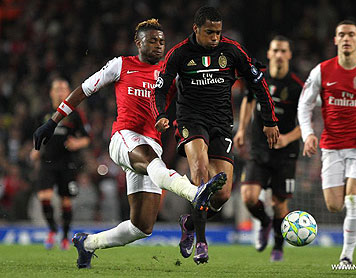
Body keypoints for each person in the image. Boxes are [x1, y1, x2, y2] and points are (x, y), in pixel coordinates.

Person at [33, 19, 226, 269]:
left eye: (162, 41)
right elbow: (83, 89)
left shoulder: (170, 73)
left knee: (142, 227)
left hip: (151, 145)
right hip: (125, 137)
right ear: (138, 42)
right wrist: (53, 120)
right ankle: (194, 192)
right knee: (153, 163)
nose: (158, 45)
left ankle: (87, 243)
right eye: (152, 40)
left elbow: (190, 103)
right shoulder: (121, 65)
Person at [152, 6, 279, 264]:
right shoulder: (179, 53)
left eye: (218, 32)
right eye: (209, 32)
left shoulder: (231, 51)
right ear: (196, 29)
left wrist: (269, 119)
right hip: (190, 120)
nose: (215, 38)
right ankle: (201, 243)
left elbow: (258, 82)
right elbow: (162, 85)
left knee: (221, 194)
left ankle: (189, 224)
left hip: (221, 124)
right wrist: (161, 114)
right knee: (200, 173)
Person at [298, 20, 356, 265]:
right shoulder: (322, 71)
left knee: (353, 198)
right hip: (332, 146)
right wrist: (308, 133)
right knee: (334, 205)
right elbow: (304, 104)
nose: (347, 38)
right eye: (342, 34)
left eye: (351, 34)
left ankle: (346, 257)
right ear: (335, 40)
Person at [234, 36, 303, 262]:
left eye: (284, 50)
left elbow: (307, 122)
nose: (280, 54)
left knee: (279, 203)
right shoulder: (258, 79)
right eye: (276, 50)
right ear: (270, 54)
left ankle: (278, 247)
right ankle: (263, 221)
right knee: (248, 197)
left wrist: (286, 138)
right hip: (259, 148)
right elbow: (248, 101)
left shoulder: (297, 87)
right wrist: (242, 130)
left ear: (289, 55)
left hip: (285, 153)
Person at [30, 78, 91, 250]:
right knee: (44, 196)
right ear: (51, 92)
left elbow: (87, 137)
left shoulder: (76, 114)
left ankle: (64, 236)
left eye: (64, 88)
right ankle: (52, 229)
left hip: (67, 162)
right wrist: (35, 150)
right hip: (47, 161)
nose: (60, 91)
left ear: (69, 92)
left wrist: (77, 143)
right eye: (57, 88)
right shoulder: (43, 113)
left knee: (66, 200)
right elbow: (37, 135)